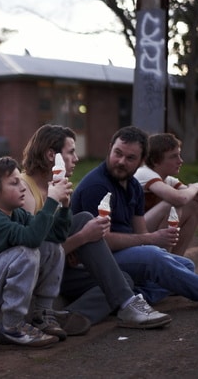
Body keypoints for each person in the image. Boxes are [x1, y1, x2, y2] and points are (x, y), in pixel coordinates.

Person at [71, 125, 198, 308]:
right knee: (156, 258)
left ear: (142, 160)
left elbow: (140, 230)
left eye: (130, 157)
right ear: (110, 148)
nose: (121, 161)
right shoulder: (97, 186)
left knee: (185, 265)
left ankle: (135, 298)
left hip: (123, 253)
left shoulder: (131, 184)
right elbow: (101, 242)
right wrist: (151, 240)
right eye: (118, 153)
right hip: (95, 261)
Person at [20, 124, 171, 329]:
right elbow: (31, 257)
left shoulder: (55, 189)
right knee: (84, 220)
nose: (77, 158)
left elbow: (54, 244)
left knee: (123, 279)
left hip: (59, 270)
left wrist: (75, 244)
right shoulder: (25, 191)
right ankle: (128, 305)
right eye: (71, 152)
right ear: (50, 155)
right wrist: (81, 238)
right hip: (30, 276)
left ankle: (72, 317)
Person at [0, 156, 89, 348]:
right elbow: (31, 239)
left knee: (52, 248)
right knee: (26, 252)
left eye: (21, 182)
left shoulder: (16, 213)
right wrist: (51, 200)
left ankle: (42, 314)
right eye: (14, 183)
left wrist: (64, 205)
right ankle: (11, 326)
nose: (23, 187)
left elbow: (55, 235)